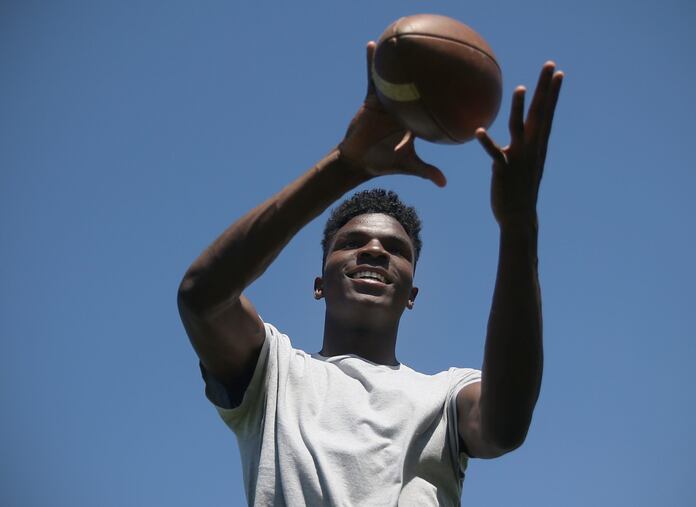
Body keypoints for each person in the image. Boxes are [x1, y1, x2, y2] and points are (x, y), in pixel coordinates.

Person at [177, 41, 563, 506]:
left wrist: (519, 226)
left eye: (395, 249)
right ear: (319, 285)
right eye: (352, 242)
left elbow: (506, 427)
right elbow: (202, 297)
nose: (375, 250)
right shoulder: (273, 374)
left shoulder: (444, 396)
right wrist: (344, 167)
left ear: (412, 294)